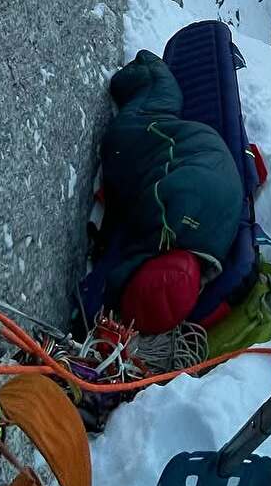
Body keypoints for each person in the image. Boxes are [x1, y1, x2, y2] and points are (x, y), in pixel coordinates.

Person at [100, 48, 243, 333]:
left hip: (206, 156)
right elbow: (146, 219)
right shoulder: (171, 220)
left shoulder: (205, 259)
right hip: (181, 146)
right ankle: (147, 64)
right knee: (125, 133)